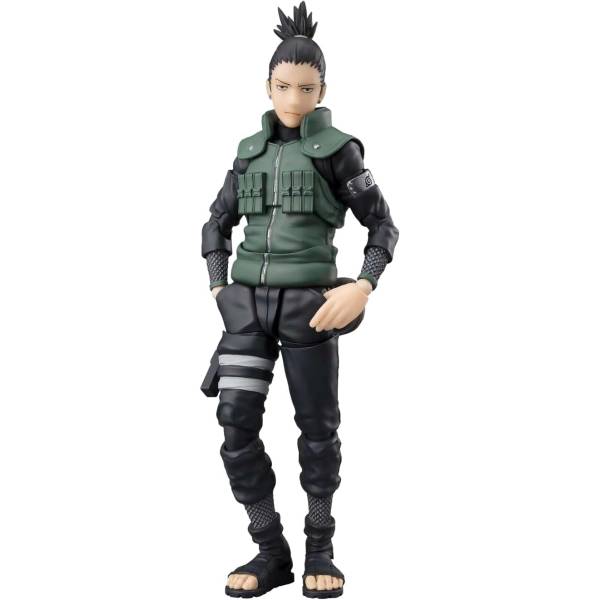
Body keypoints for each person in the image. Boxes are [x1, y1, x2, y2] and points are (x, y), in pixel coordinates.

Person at [201, 3, 398, 597]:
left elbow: (383, 226)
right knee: (235, 424)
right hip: (246, 310)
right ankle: (270, 548)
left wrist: (362, 286)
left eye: (306, 88)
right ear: (268, 86)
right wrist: (219, 288)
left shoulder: (339, 151)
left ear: (322, 91)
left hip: (310, 308)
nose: (293, 98)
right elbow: (216, 223)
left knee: (317, 428)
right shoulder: (247, 152)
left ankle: (320, 546)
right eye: (283, 86)